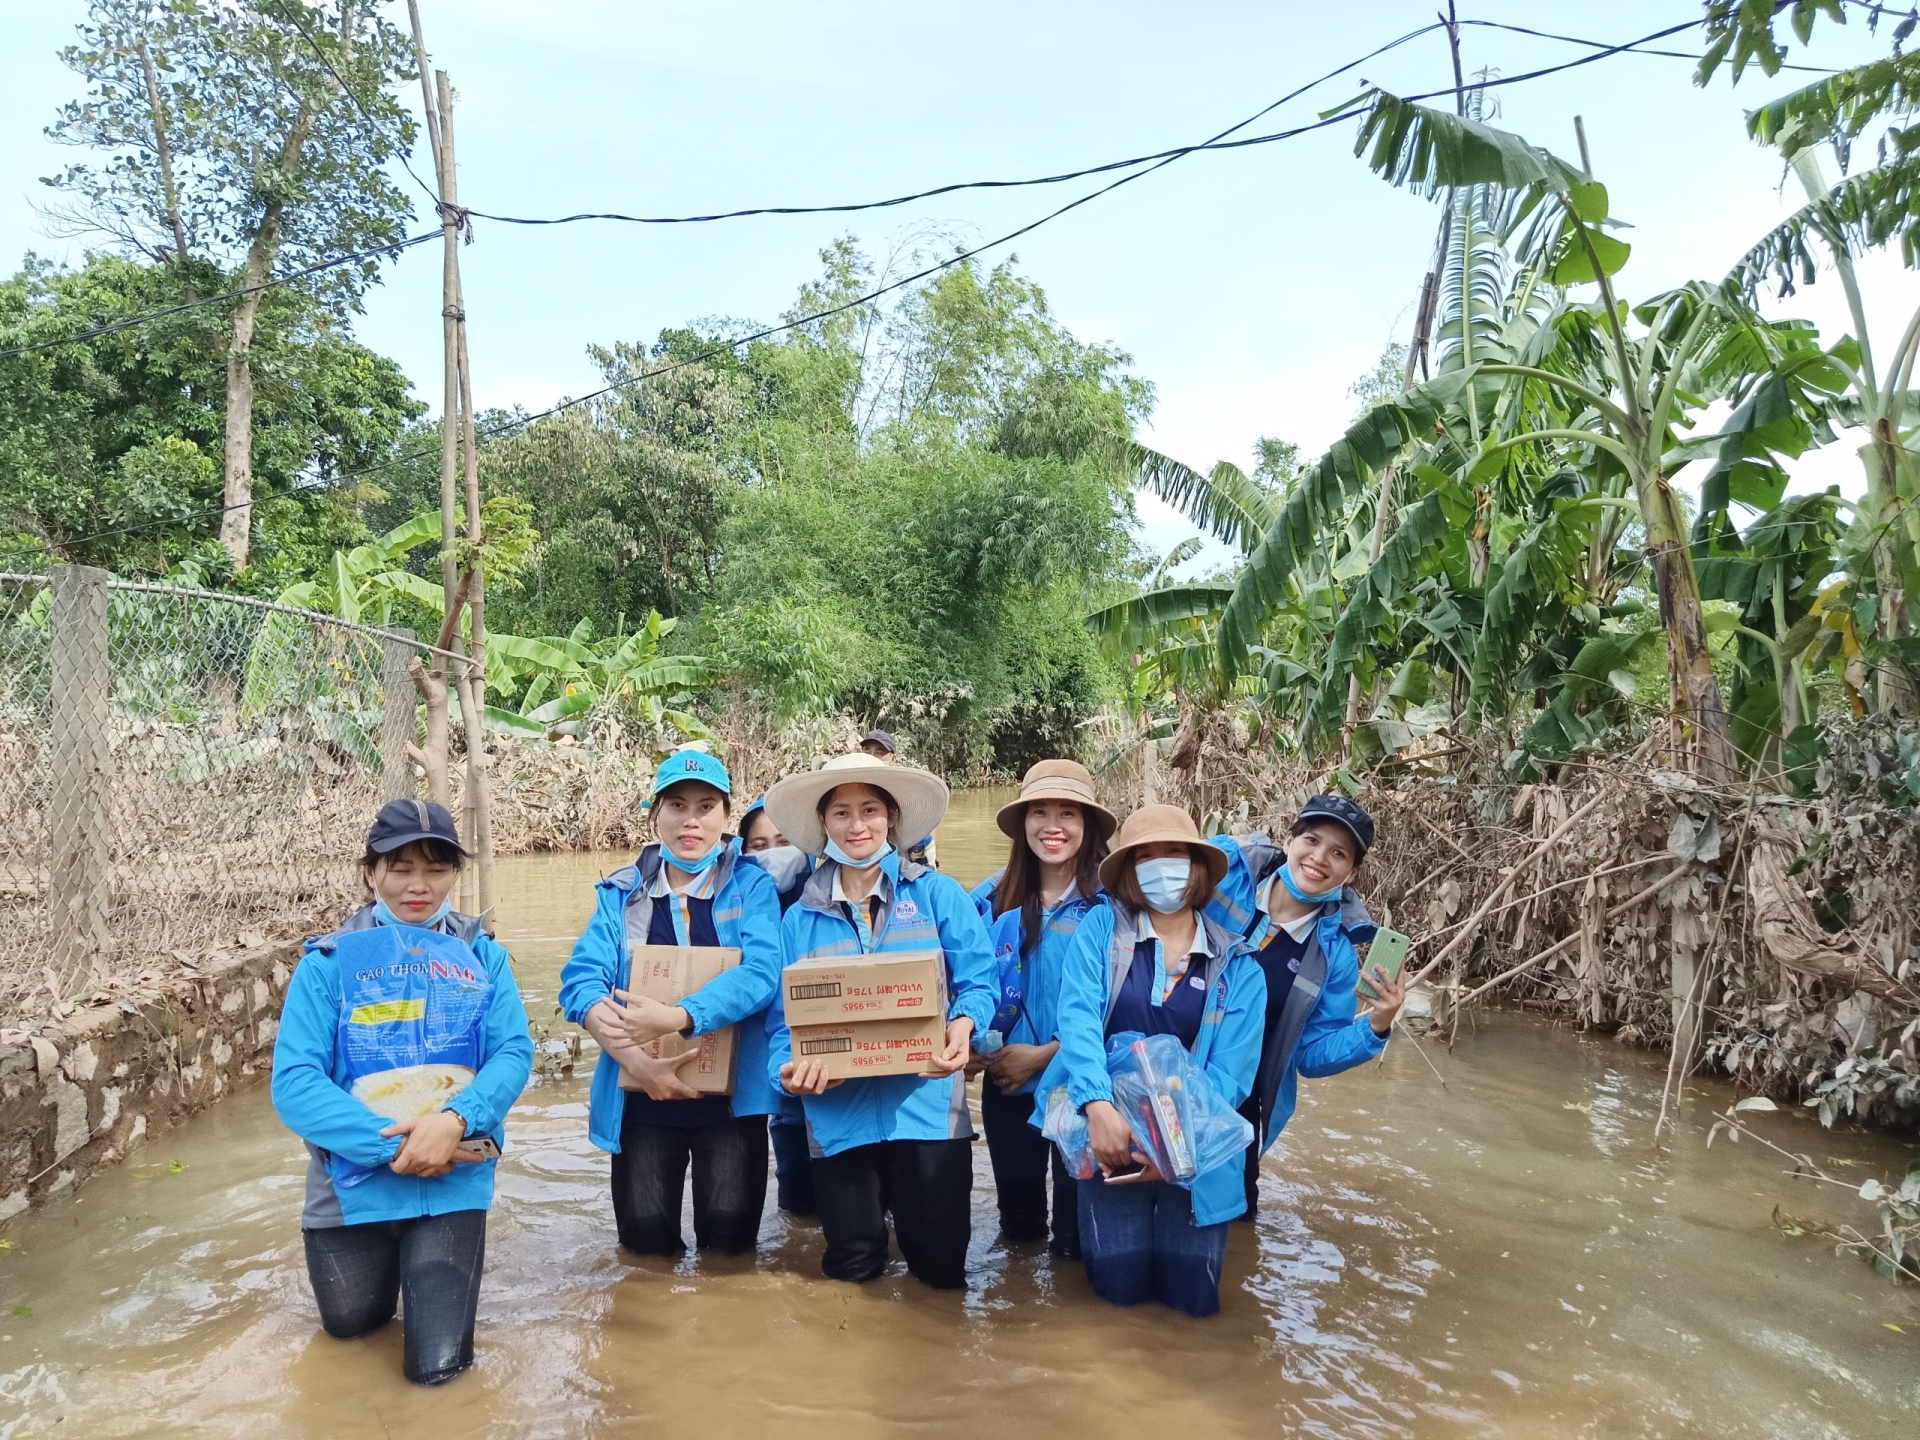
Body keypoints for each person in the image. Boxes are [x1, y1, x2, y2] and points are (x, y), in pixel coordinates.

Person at [271, 800, 533, 1385]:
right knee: (350, 1330)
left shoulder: (483, 956)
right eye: (400, 866)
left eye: (437, 868)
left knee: (436, 1371)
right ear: (371, 872)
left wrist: (456, 1120)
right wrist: (394, 1145)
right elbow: (295, 1083)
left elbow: (512, 1052)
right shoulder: (327, 966)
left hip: (454, 1176)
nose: (419, 885)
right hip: (351, 1182)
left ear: (454, 875)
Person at [764, 752, 996, 1289]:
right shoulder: (799, 918)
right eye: (840, 812)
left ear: (891, 817)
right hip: (836, 1117)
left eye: (870, 809)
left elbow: (979, 983)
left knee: (939, 1265)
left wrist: (963, 1027)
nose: (856, 824)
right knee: (852, 1261)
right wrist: (788, 1071)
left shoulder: (938, 895)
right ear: (823, 824)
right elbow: (783, 1024)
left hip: (929, 1110)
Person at [1034, 804, 1264, 1317]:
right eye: (1147, 856)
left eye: (1176, 853)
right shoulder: (1102, 931)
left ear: (1199, 864)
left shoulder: (1239, 965)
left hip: (1195, 1153)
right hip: (1110, 1140)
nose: (1163, 866)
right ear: (1130, 870)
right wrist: (1097, 1106)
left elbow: (1230, 1078)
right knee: (1116, 1292)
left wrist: (1170, 1153)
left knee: (1194, 1299)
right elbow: (1078, 1022)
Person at [559, 750, 785, 1257]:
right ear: (654, 813)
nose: (691, 820)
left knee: (729, 1252)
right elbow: (580, 983)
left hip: (729, 1102)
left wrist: (679, 1017)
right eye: (677, 804)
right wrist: (637, 1061)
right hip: (643, 1099)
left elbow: (762, 973)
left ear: (727, 818)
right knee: (644, 1250)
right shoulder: (621, 892)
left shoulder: (752, 885)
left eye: (707, 806)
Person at [1203, 794, 1407, 1220]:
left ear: (1352, 873)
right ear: (1289, 839)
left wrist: (1376, 1024)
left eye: (1338, 853)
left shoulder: (1334, 955)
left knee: (1226, 1229)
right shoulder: (1225, 873)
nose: (1319, 859)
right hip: (1160, 1071)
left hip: (1237, 1102)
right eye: (1311, 840)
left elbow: (1311, 1054)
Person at [970, 760, 1114, 1259]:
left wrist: (1046, 1054)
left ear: (1088, 825)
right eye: (1040, 812)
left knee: (1077, 1236)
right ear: (1022, 823)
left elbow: (1125, 1004)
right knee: (1019, 1228)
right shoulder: (988, 898)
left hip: (1082, 1088)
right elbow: (960, 982)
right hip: (1008, 1082)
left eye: (1068, 813)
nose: (1053, 826)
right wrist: (970, 1049)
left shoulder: (1113, 906)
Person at [734, 796, 816, 1215]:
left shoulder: (823, 903)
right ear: (742, 851)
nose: (772, 854)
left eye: (783, 841)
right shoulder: (735, 908)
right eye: (759, 845)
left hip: (835, 1075)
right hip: (776, 1079)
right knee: (798, 1205)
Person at [859, 728, 938, 870]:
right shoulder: (851, 792)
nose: (872, 757)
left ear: (893, 759)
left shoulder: (908, 799)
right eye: (867, 752)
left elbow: (922, 861)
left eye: (879, 753)